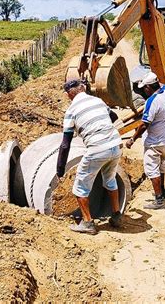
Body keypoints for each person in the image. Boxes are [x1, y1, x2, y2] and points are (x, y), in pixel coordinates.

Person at [56, 79, 123, 234]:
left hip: (98, 149)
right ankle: (116, 216)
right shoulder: (97, 101)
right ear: (83, 89)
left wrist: (60, 170)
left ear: (68, 95)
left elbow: (65, 144)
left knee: (80, 187)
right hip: (115, 145)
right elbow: (113, 117)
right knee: (110, 179)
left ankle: (88, 223)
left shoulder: (71, 111)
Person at [126, 72, 165, 210]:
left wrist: (132, 139)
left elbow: (144, 124)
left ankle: (158, 201)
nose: (144, 90)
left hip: (154, 143)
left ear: (148, 87)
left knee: (152, 170)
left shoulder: (152, 101)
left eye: (144, 88)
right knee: (161, 166)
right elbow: (163, 84)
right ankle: (162, 193)